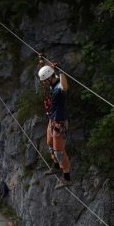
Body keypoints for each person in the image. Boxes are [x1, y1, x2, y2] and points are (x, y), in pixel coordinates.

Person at [38, 57, 72, 188]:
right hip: (52, 120)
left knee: (59, 152)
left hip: (60, 123)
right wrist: (42, 62)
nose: (44, 84)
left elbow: (65, 86)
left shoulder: (58, 87)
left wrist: (61, 72)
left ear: (50, 78)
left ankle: (67, 178)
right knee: (49, 144)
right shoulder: (52, 83)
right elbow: (49, 70)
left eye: (44, 81)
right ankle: (56, 166)